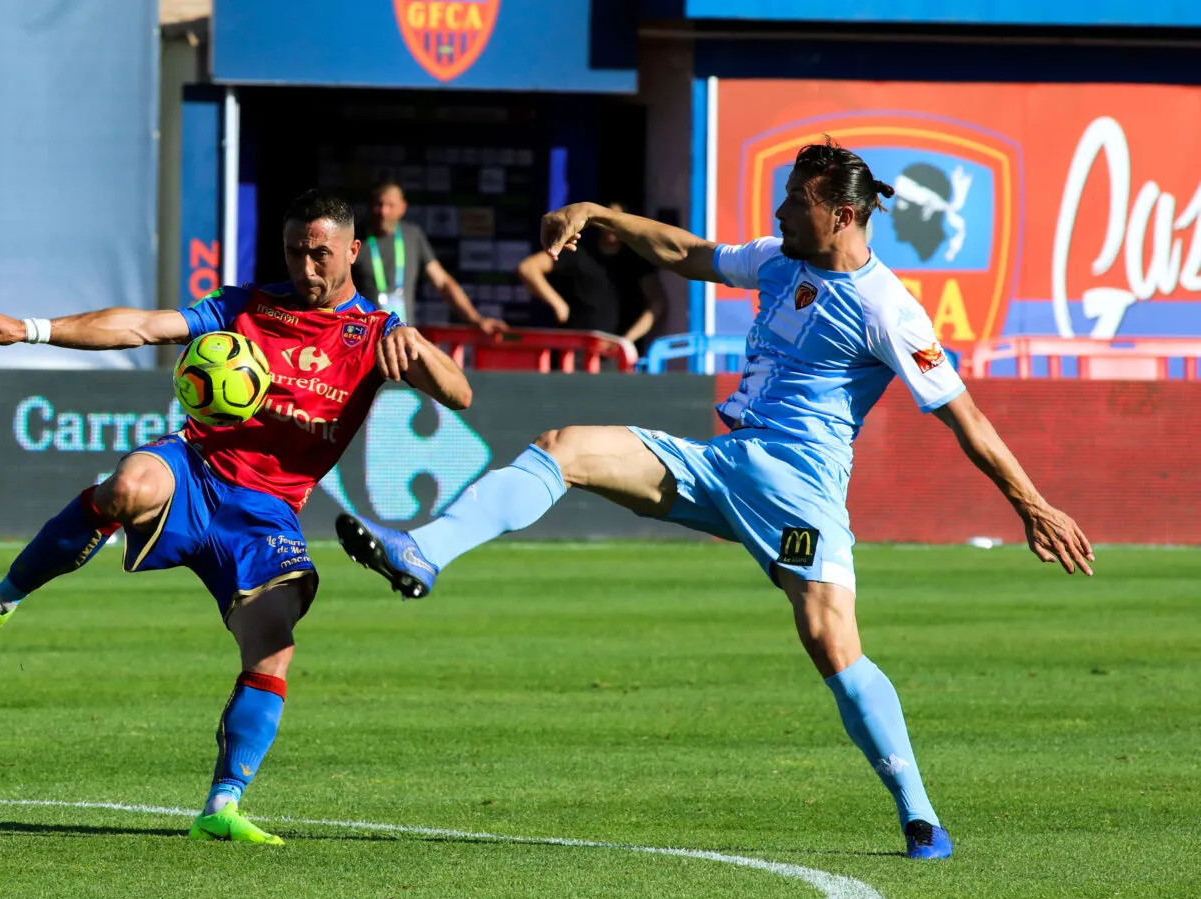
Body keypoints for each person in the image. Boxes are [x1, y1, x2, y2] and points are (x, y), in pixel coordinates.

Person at [335, 141, 1094, 860]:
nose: (780, 211)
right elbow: (683, 252)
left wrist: (1031, 504)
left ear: (843, 215)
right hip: (721, 463)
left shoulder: (889, 309)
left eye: (798, 201)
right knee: (564, 447)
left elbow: (964, 414)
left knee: (832, 642)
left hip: (798, 494)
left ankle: (920, 811)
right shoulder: (776, 261)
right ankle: (423, 550)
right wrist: (596, 213)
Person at [0, 190, 471, 844]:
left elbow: (459, 393)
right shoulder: (246, 306)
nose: (306, 266)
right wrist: (32, 328)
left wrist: (415, 343)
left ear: (353, 251)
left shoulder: (373, 336)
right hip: (196, 469)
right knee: (126, 484)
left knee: (274, 644)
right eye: (295, 251)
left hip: (268, 515)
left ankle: (222, 803)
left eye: (321, 253)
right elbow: (142, 326)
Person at [350, 180, 505, 333]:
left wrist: (476, 319)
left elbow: (443, 283)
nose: (383, 212)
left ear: (403, 208)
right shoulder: (354, 239)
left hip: (402, 340)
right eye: (379, 205)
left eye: (390, 206)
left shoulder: (412, 236)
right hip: (363, 340)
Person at [516, 201, 667, 348]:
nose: (612, 226)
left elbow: (657, 301)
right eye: (608, 219)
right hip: (575, 351)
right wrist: (558, 304)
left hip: (613, 357)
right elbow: (528, 268)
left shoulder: (635, 260)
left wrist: (625, 341)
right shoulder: (579, 252)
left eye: (619, 219)